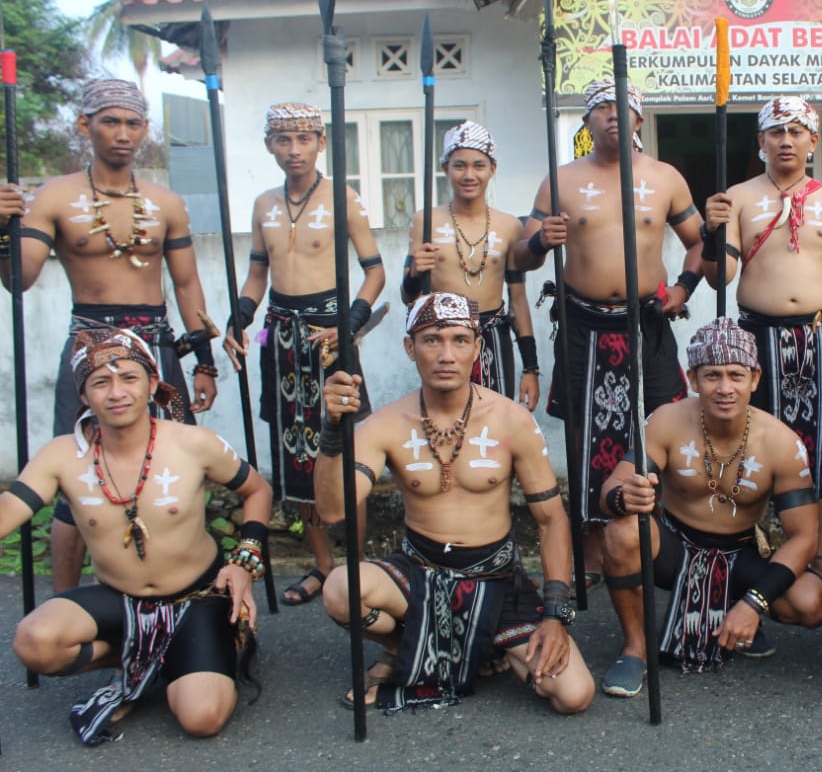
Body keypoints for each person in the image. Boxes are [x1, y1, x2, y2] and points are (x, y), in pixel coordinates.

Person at [315, 292, 594, 714]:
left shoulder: (511, 419)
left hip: (496, 579)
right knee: (341, 589)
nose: (446, 354)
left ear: (478, 348)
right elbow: (335, 510)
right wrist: (333, 431)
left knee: (573, 694)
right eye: (432, 340)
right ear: (410, 348)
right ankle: (400, 647)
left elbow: (552, 519)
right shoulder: (385, 424)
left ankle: (472, 645)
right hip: (419, 570)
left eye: (460, 340)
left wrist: (555, 616)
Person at [0, 79, 220, 594]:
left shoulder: (166, 202)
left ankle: (183, 591)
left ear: (145, 130)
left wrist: (204, 363)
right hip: (88, 346)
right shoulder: (54, 196)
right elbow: (18, 279)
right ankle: (67, 605)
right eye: (110, 121)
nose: (123, 134)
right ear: (85, 126)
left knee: (179, 463)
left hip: (157, 346)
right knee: (76, 473)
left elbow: (186, 284)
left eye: (133, 123)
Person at [0, 327, 270, 745]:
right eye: (100, 382)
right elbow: (10, 510)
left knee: (203, 718)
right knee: (35, 644)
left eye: (129, 378)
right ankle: (143, 657)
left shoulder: (194, 444)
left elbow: (257, 490)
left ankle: (185, 651)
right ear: (85, 395)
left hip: (195, 597)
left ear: (151, 384)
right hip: (119, 600)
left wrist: (244, 561)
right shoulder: (60, 455)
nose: (116, 392)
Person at [513, 77, 705, 584]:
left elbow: (699, 242)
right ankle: (590, 543)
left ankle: (660, 535)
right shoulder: (561, 180)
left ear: (639, 119)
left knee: (663, 422)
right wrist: (538, 245)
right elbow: (519, 254)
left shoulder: (665, 177)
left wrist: (683, 289)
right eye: (602, 108)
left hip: (648, 322)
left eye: (624, 108)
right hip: (582, 324)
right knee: (582, 430)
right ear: (586, 121)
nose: (614, 116)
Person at [597, 317, 822, 697]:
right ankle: (635, 649)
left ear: (755, 379)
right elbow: (611, 487)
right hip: (674, 547)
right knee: (623, 529)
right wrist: (623, 498)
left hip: (739, 554)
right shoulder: (666, 420)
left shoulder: (782, 443)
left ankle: (736, 609)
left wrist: (755, 603)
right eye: (712, 375)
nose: (725, 388)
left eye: (736, 375)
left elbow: (805, 538)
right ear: (692, 378)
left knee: (813, 602)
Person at [703, 96, 822, 595]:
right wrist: (714, 233)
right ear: (761, 142)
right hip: (758, 337)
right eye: (776, 132)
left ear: (813, 141)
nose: (787, 140)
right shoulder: (738, 197)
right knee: (755, 440)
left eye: (797, 131)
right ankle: (750, 544)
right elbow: (720, 278)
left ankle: (815, 551)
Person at [223, 103, 384, 606]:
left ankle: (357, 569)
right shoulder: (264, 203)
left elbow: (375, 273)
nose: (293, 150)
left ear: (320, 142)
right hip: (280, 337)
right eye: (282, 140)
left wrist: (348, 326)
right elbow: (256, 274)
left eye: (303, 139)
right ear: (270, 145)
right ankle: (321, 565)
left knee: (345, 451)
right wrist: (239, 318)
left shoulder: (344, 198)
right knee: (296, 456)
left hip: (330, 333)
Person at [402, 121, 540, 409]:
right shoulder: (424, 221)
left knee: (496, 422)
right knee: (445, 418)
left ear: (492, 169)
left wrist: (530, 368)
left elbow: (518, 300)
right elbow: (409, 298)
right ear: (445, 169)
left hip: (493, 336)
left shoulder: (510, 226)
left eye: (479, 165)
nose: (469, 175)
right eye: (459, 165)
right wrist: (415, 274)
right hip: (444, 339)